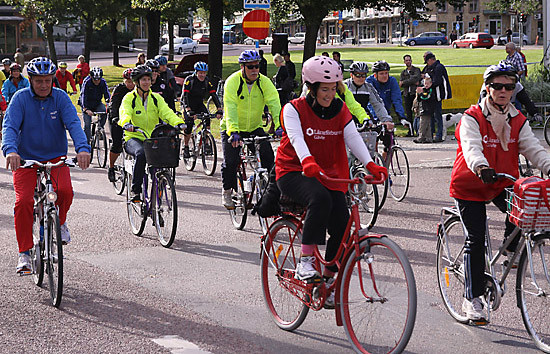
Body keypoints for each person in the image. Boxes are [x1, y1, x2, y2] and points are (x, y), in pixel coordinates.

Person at [275, 55, 387, 308]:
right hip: (294, 170)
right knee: (320, 198)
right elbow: (296, 139)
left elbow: (352, 136)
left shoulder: (339, 108)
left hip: (329, 173)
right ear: (311, 88)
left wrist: (370, 163)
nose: (329, 94)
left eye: (333, 88)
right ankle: (305, 261)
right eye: (324, 89)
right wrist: (306, 160)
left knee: (342, 226)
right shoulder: (294, 109)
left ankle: (327, 281)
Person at [449, 61, 550, 321]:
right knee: (476, 236)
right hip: (470, 183)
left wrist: (549, 167)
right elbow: (471, 146)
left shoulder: (517, 119)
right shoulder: (472, 117)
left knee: (527, 210)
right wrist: (481, 166)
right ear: (487, 88)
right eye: (497, 86)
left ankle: (508, 253)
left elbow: (533, 148)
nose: (503, 91)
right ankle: (472, 299)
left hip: (502, 182)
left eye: (509, 86)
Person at [1, 57, 91, 273]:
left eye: (47, 80)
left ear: (52, 80)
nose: (43, 85)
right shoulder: (21, 98)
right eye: (39, 80)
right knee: (23, 203)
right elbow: (10, 127)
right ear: (30, 80)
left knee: (65, 191)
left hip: (55, 157)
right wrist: (11, 151)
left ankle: (59, 223)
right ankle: (24, 253)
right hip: (26, 159)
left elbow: (73, 124)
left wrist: (83, 148)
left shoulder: (60, 98)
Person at [220, 50, 281, 209]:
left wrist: (280, 126)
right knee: (231, 161)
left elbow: (274, 104)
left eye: (257, 66)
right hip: (232, 129)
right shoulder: (232, 82)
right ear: (242, 67)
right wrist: (233, 131)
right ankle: (227, 191)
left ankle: (271, 194)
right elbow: (230, 107)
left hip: (254, 127)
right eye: (251, 67)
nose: (255, 70)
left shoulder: (264, 82)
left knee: (269, 159)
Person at [118, 65, 185, 203]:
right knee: (141, 154)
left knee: (161, 161)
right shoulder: (129, 98)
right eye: (143, 80)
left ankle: (157, 199)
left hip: (152, 137)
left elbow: (166, 112)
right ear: (137, 82)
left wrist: (178, 122)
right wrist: (127, 124)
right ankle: (135, 191)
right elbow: (124, 112)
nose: (147, 82)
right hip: (134, 137)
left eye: (148, 79)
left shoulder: (155, 98)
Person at [180, 61, 222, 158]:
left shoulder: (207, 81)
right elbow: (185, 96)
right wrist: (188, 109)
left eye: (204, 73)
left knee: (207, 119)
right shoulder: (189, 80)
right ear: (196, 72)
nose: (202, 75)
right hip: (188, 104)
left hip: (199, 104)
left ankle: (206, 142)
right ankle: (186, 147)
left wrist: (219, 108)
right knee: (189, 124)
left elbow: (214, 95)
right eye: (200, 73)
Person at [107, 68, 134, 183]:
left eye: (132, 81)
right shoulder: (119, 89)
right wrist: (115, 118)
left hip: (132, 119)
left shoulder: (138, 90)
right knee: (117, 144)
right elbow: (113, 105)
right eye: (128, 82)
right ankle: (111, 167)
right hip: (117, 118)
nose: (130, 84)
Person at [344, 61, 391, 127]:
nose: (361, 78)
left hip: (363, 117)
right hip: (345, 118)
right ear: (351, 75)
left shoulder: (368, 87)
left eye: (363, 75)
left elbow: (378, 104)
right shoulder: (345, 86)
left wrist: (386, 120)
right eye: (358, 75)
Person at [422, 51, 452, 142]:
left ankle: (439, 135)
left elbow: (438, 81)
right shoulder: (428, 67)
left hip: (437, 95)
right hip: (431, 95)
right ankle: (430, 135)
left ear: (431, 60)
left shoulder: (439, 67)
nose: (427, 63)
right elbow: (423, 74)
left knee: (437, 115)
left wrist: (427, 84)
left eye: (427, 61)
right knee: (431, 115)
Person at [80, 66, 110, 143]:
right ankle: (87, 142)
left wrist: (108, 103)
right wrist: (85, 109)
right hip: (86, 104)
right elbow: (83, 96)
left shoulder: (103, 82)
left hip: (97, 103)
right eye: (95, 80)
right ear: (91, 77)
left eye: (98, 80)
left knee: (104, 111)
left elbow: (106, 94)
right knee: (87, 125)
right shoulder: (87, 82)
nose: (97, 82)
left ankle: (100, 128)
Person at [400, 55, 422, 136]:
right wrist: (411, 82)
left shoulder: (416, 70)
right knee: (408, 113)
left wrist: (405, 82)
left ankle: (418, 130)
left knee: (417, 112)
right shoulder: (403, 72)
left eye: (409, 60)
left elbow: (416, 79)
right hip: (407, 94)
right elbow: (401, 83)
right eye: (406, 60)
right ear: (404, 62)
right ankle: (410, 131)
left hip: (415, 94)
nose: (408, 62)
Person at [413, 74, 438, 143]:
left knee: (422, 124)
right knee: (427, 125)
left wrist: (420, 94)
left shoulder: (430, 91)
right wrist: (418, 93)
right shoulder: (424, 90)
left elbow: (426, 97)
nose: (426, 85)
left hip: (428, 110)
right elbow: (419, 100)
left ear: (431, 84)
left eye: (427, 84)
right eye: (425, 84)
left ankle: (421, 137)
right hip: (423, 109)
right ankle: (428, 138)